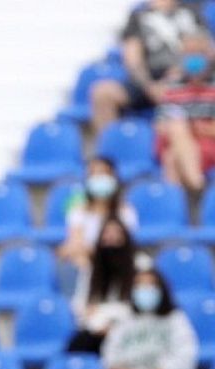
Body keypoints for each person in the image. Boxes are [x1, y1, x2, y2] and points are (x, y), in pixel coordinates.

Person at [90, 0, 209, 133]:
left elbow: (203, 49)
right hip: (150, 80)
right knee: (103, 93)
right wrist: (150, 87)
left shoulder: (191, 12)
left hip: (185, 77)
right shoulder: (139, 16)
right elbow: (132, 58)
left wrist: (177, 76)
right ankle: (111, 147)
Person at [58, 157, 137, 305]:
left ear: (114, 178)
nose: (99, 178)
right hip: (88, 266)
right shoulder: (78, 212)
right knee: (74, 261)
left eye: (104, 173)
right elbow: (74, 246)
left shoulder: (126, 212)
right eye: (94, 174)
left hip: (118, 266)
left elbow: (124, 247)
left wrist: (97, 252)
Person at [65, 217, 138, 354]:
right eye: (107, 234)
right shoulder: (92, 270)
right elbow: (79, 304)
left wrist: (105, 315)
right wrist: (95, 321)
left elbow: (136, 307)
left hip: (128, 331)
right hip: (95, 330)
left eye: (116, 233)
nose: (111, 239)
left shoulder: (140, 266)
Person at [155, 34, 215, 191]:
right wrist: (191, 129)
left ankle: (179, 207)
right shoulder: (172, 85)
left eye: (198, 53)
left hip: (208, 147)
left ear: (208, 55)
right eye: (189, 53)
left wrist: (196, 130)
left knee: (172, 158)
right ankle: (198, 185)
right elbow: (160, 125)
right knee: (177, 127)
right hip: (176, 139)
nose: (194, 58)